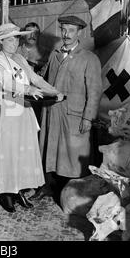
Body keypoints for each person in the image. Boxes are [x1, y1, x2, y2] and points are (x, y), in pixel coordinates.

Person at [0, 23, 63, 213]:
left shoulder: (19, 58)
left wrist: (55, 92)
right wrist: (27, 89)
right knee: (7, 152)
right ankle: (6, 193)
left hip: (23, 110)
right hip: (5, 111)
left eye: (16, 38)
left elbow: (36, 79)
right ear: (1, 42)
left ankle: (19, 190)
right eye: (10, 39)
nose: (14, 42)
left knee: (21, 153)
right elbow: (5, 82)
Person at [37, 15, 102, 201]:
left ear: (79, 32)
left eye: (71, 30)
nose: (66, 34)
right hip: (51, 111)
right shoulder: (54, 54)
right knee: (50, 150)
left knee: (73, 155)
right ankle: (48, 186)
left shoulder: (89, 58)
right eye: (63, 30)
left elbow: (95, 91)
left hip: (74, 114)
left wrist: (88, 118)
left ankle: (72, 194)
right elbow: (44, 78)